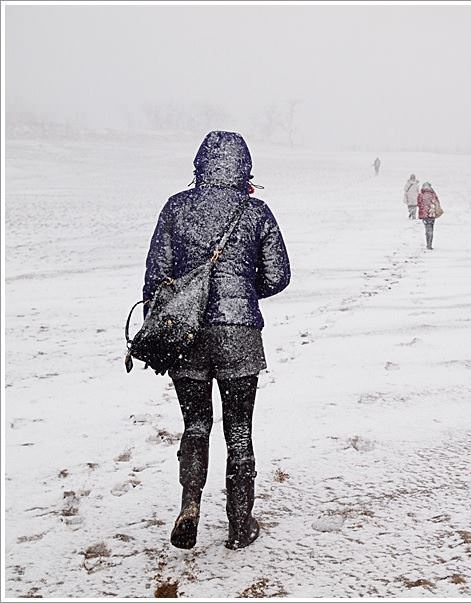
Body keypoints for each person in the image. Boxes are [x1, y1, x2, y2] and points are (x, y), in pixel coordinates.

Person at [143, 130, 291, 551]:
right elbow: (278, 275)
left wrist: (180, 308)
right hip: (239, 333)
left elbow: (156, 276)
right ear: (244, 167)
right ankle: (239, 525)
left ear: (200, 164)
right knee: (239, 430)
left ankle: (190, 506)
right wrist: (241, 292)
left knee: (195, 424)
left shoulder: (176, 207)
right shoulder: (256, 211)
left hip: (186, 332)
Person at [417, 181, 442, 250]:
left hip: (424, 214)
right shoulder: (433, 194)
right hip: (432, 213)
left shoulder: (421, 195)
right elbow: (437, 203)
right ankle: (430, 244)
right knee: (431, 228)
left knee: (427, 228)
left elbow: (419, 204)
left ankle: (428, 243)